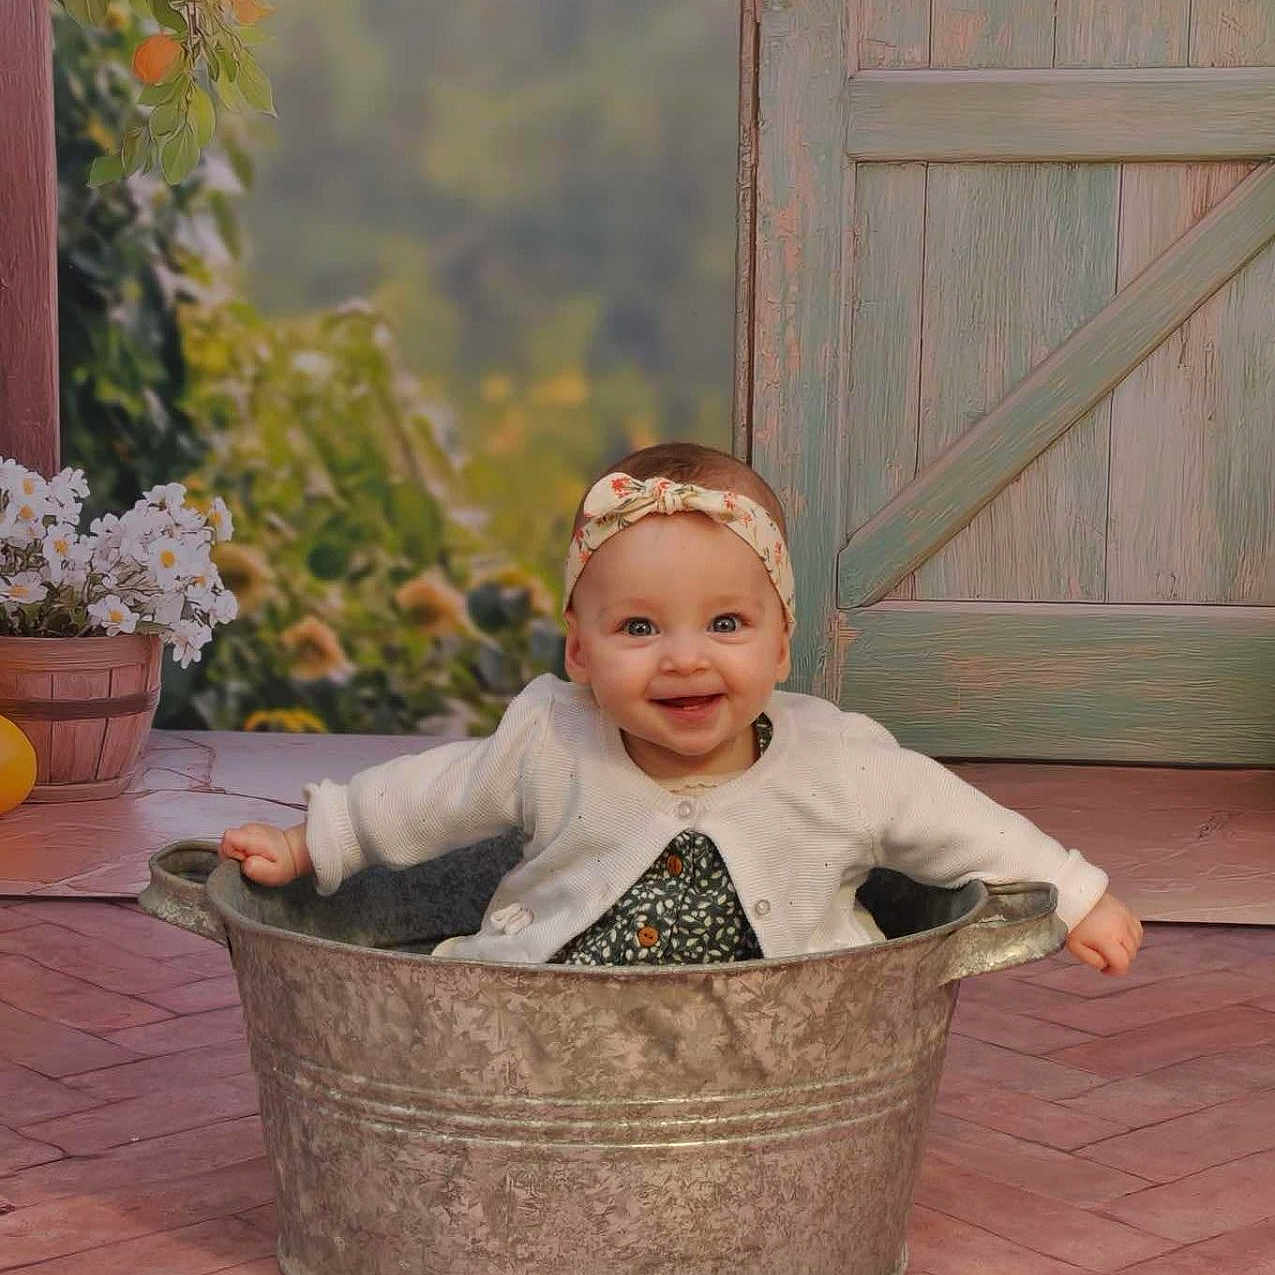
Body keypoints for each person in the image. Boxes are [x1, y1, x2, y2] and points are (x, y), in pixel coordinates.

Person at [219, 442, 1142, 973]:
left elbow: (962, 826)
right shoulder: (551, 737)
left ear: (782, 645)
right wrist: (312, 843)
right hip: (542, 1037)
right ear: (579, 651)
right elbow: (429, 797)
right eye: (638, 626)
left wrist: (1074, 895)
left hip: (778, 1047)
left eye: (727, 622)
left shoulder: (843, 764)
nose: (685, 656)